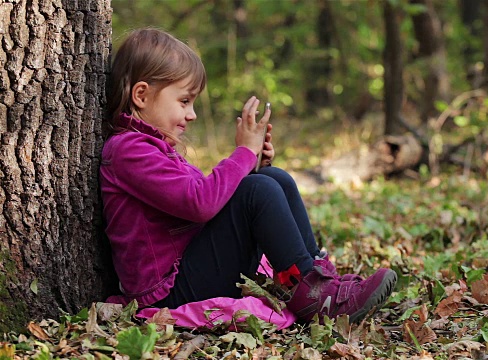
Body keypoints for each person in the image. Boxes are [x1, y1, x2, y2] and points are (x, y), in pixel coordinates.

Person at [100, 28, 397, 324]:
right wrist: (242, 153)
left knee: (274, 179)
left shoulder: (151, 148)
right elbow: (200, 203)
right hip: (168, 292)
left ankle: (320, 282)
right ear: (142, 95)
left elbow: (205, 199)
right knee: (256, 191)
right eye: (184, 101)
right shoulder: (129, 150)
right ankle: (315, 296)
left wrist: (251, 164)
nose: (192, 114)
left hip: (188, 270)